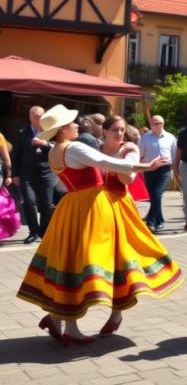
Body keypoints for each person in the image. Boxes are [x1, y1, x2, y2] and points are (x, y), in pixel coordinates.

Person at [16, 104, 169, 343]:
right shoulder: (74, 147)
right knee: (90, 262)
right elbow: (108, 165)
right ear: (63, 129)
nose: (77, 125)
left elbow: (96, 165)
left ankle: (59, 318)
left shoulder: (54, 150)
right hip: (89, 207)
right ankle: (68, 325)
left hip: (71, 207)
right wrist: (145, 165)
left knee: (69, 261)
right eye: (71, 123)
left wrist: (121, 156)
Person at [98, 115, 183, 336]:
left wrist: (121, 163)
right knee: (96, 260)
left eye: (122, 130)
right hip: (97, 210)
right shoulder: (96, 148)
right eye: (115, 130)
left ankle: (117, 312)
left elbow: (128, 180)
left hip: (119, 207)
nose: (119, 134)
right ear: (104, 131)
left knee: (120, 261)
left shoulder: (129, 150)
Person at [12, 106, 59, 243]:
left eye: (40, 116)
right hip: (27, 173)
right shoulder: (23, 133)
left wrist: (46, 144)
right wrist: (14, 174)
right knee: (29, 201)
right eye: (35, 116)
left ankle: (44, 232)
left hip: (47, 172)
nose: (38, 119)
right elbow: (16, 154)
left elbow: (59, 147)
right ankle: (33, 231)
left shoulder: (52, 131)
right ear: (30, 117)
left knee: (47, 204)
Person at [138, 115, 176, 231]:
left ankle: (150, 220)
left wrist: (174, 167)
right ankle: (159, 220)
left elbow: (174, 153)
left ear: (163, 124)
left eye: (160, 123)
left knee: (157, 194)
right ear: (151, 125)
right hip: (149, 169)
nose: (158, 125)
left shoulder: (170, 137)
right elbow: (139, 153)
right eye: (155, 123)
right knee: (153, 196)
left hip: (164, 169)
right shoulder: (144, 138)